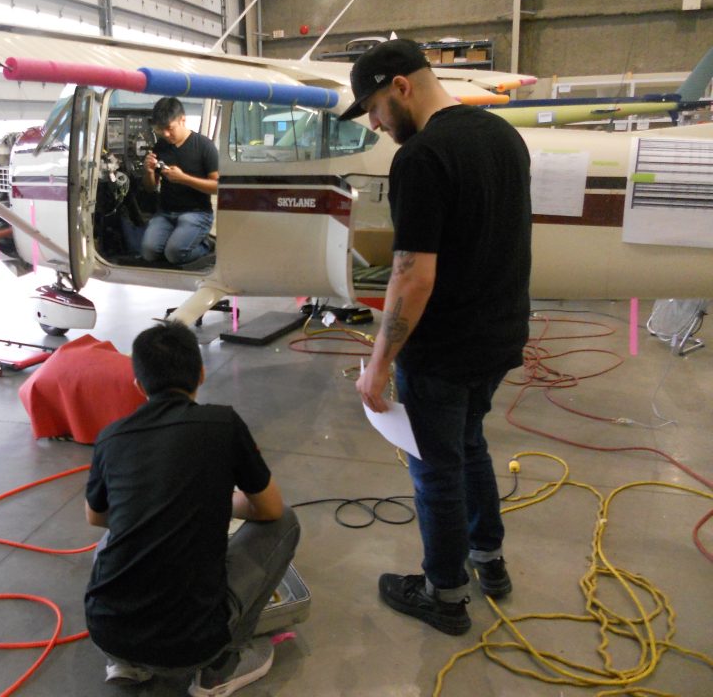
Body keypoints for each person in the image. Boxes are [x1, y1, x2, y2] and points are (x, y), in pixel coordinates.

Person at [341, 39, 532, 635]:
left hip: (445, 349)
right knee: (469, 445)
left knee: (434, 469)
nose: (373, 122)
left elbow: (412, 275)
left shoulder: (422, 157)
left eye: (373, 107)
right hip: (498, 338)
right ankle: (488, 561)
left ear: (401, 86)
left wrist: (377, 364)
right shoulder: (503, 136)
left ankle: (445, 595)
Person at [84, 320, 300, 695]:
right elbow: (270, 510)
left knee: (111, 541)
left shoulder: (111, 436)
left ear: (138, 385)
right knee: (288, 522)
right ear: (200, 374)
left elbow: (96, 517)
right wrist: (224, 502)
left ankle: (126, 662)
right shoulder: (222, 423)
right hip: (191, 642)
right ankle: (219, 667)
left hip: (107, 630)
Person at [141, 97, 219, 264]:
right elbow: (150, 188)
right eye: (161, 130)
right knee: (149, 252)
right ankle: (177, 244)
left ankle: (206, 246)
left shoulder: (205, 146)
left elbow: (217, 187)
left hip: (197, 213)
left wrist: (184, 179)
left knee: (174, 254)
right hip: (166, 213)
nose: (166, 135)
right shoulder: (161, 146)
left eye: (170, 128)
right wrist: (148, 172)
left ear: (183, 120)